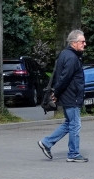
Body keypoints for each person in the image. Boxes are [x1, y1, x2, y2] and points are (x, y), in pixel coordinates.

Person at [37, 30, 88, 162]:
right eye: (82, 42)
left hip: (68, 95)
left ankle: (46, 143)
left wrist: (57, 93)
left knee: (69, 123)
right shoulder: (71, 58)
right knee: (75, 125)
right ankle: (73, 153)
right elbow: (64, 78)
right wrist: (56, 93)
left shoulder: (65, 54)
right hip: (72, 96)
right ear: (74, 43)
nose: (84, 44)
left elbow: (60, 76)